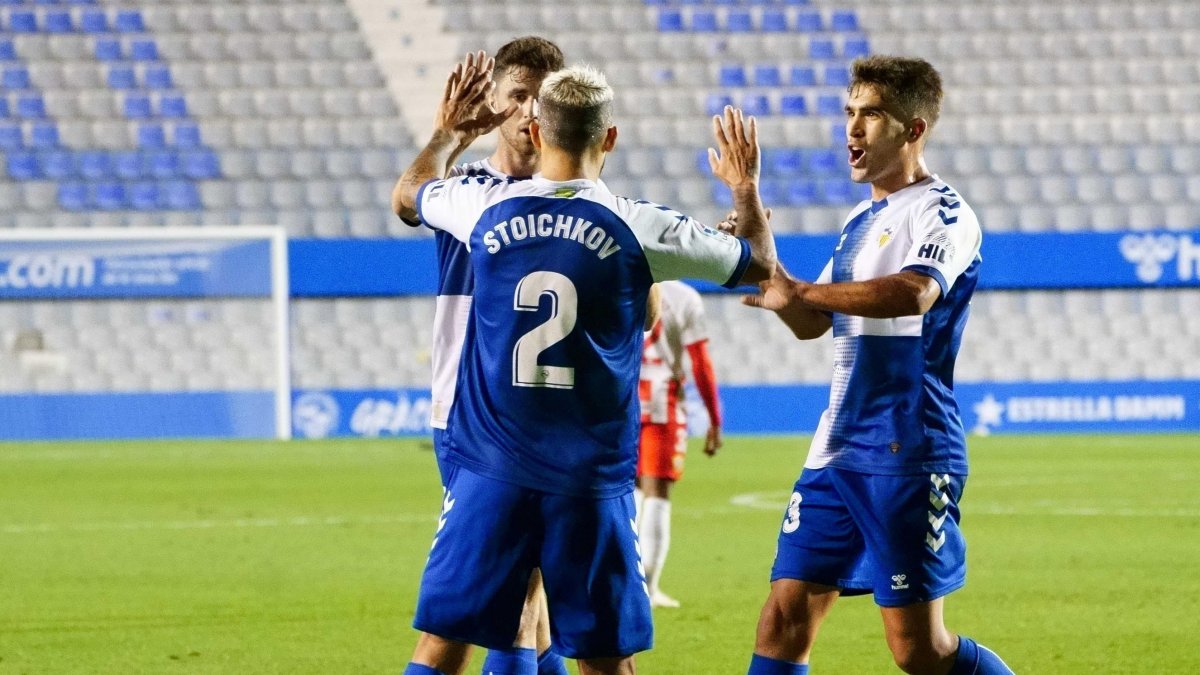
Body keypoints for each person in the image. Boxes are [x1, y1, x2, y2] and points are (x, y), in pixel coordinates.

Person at [393, 57, 775, 675]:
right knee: (603, 659)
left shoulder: (479, 203)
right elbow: (758, 263)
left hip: (491, 471)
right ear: (610, 139)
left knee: (444, 645)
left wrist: (448, 134)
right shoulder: (639, 224)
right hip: (587, 481)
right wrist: (745, 188)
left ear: (538, 133)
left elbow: (410, 194)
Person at [739, 56, 1013, 675]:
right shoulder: (859, 221)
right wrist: (772, 272)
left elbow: (914, 293)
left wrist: (803, 290)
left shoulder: (943, 212)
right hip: (836, 449)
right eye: (848, 114)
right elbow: (813, 323)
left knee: (919, 650)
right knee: (784, 617)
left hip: (906, 449)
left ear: (913, 129)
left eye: (871, 115)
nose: (852, 130)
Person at [390, 38, 570, 675]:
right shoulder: (465, 190)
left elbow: (646, 309)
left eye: (540, 100)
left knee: (530, 588)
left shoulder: (579, 201)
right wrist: (447, 136)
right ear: (492, 102)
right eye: (515, 95)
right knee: (503, 594)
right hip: (472, 417)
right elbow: (406, 199)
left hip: (548, 417)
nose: (526, 111)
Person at [634, 279, 723, 609]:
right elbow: (700, 361)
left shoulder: (618, 272)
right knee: (657, 493)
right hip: (661, 402)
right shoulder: (684, 296)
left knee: (628, 490)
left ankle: (622, 580)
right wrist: (714, 418)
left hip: (620, 400)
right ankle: (650, 587)